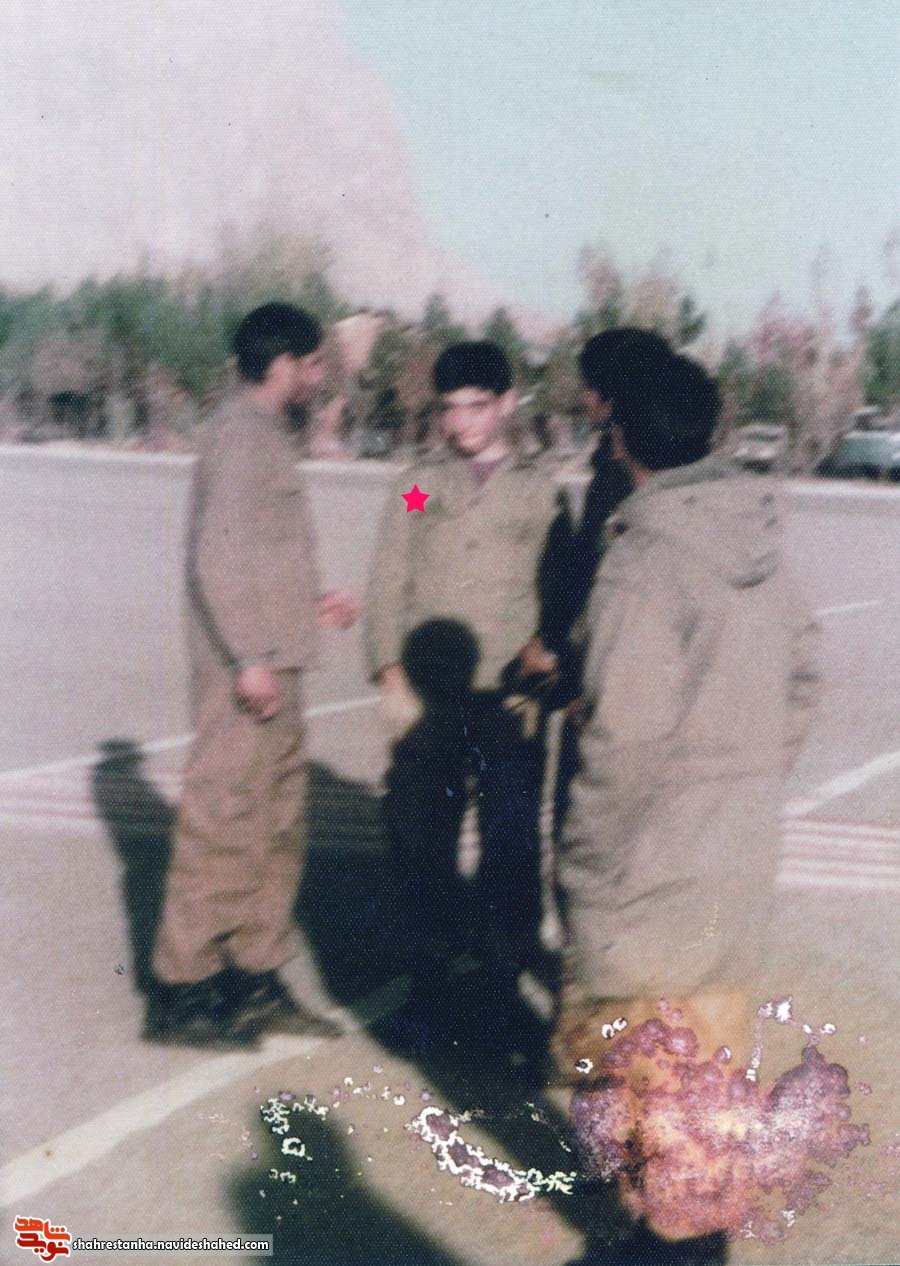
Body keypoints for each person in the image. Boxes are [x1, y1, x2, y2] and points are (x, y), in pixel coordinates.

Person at [552, 354, 821, 1260]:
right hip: (731, 849)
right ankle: (680, 1235)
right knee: (705, 1063)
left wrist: (587, 858)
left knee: (650, 1071)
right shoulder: (756, 543)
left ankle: (675, 1244)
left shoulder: (644, 558)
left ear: (618, 434)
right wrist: (744, 778)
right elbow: (805, 674)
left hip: (650, 857)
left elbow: (622, 740)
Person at [146, 302, 359, 1049]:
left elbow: (257, 555)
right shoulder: (241, 436)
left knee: (274, 826)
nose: (320, 376)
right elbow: (218, 559)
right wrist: (248, 657)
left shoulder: (267, 435)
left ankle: (254, 975)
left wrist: (309, 606)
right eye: (313, 363)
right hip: (247, 673)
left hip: (274, 661)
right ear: (284, 365)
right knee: (223, 823)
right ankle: (183, 989)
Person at [365, 341, 559, 1051]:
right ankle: (428, 993)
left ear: (506, 403)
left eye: (476, 406)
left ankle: (503, 997)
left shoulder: (539, 491)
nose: (461, 422)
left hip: (508, 699)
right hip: (432, 696)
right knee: (422, 845)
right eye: (450, 408)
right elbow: (389, 573)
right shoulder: (421, 486)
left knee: (510, 847)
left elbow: (557, 583)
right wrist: (388, 672)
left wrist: (550, 659)